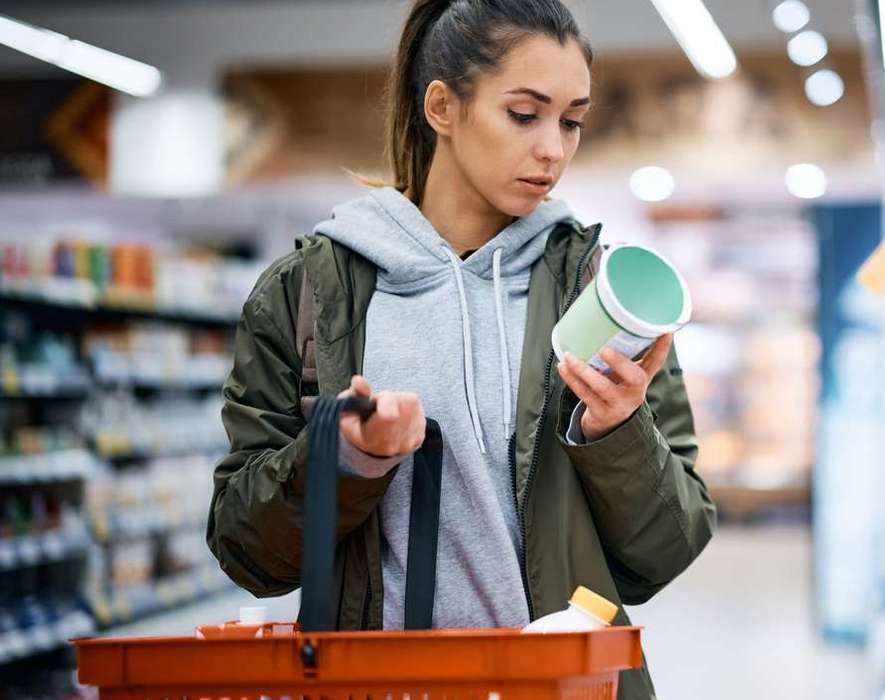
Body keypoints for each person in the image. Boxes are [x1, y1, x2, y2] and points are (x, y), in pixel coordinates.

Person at [206, 1, 716, 697]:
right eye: (524, 114)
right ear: (441, 106)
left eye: (571, 120)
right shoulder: (306, 293)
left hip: (562, 685)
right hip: (379, 684)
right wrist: (351, 456)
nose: (553, 150)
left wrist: (615, 432)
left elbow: (664, 552)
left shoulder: (600, 291)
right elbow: (246, 549)